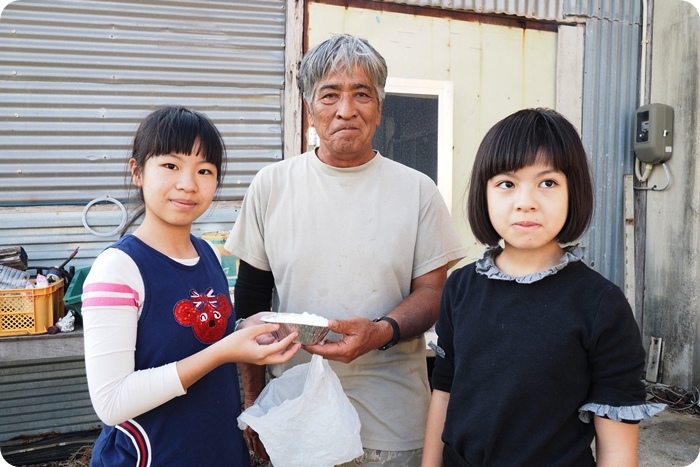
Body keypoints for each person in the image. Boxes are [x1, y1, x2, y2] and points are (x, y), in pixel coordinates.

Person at [225, 34, 466, 466]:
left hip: (394, 423)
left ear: (380, 107)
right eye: (330, 94)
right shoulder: (272, 186)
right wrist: (256, 409)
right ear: (309, 108)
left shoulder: (417, 192)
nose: (346, 110)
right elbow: (251, 306)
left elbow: (432, 296)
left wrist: (381, 332)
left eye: (362, 94)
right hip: (299, 415)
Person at [422, 108, 666, 467]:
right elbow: (444, 393)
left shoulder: (600, 305)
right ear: (484, 194)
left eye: (548, 183)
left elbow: (616, 449)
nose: (526, 201)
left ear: (574, 192)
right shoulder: (460, 287)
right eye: (507, 183)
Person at [81, 106, 301, 467]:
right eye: (171, 166)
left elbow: (201, 335)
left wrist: (247, 328)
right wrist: (226, 351)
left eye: (204, 171)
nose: (188, 183)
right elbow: (111, 402)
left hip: (219, 453)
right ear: (137, 171)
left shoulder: (209, 254)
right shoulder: (118, 268)